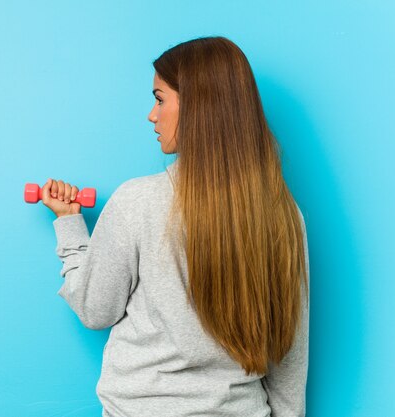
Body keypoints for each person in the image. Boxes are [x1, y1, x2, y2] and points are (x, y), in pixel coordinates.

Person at [41, 36, 310, 417]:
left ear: (199, 106)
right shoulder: (283, 214)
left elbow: (95, 309)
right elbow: (290, 354)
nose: (152, 115)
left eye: (160, 98)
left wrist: (69, 225)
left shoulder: (138, 201)